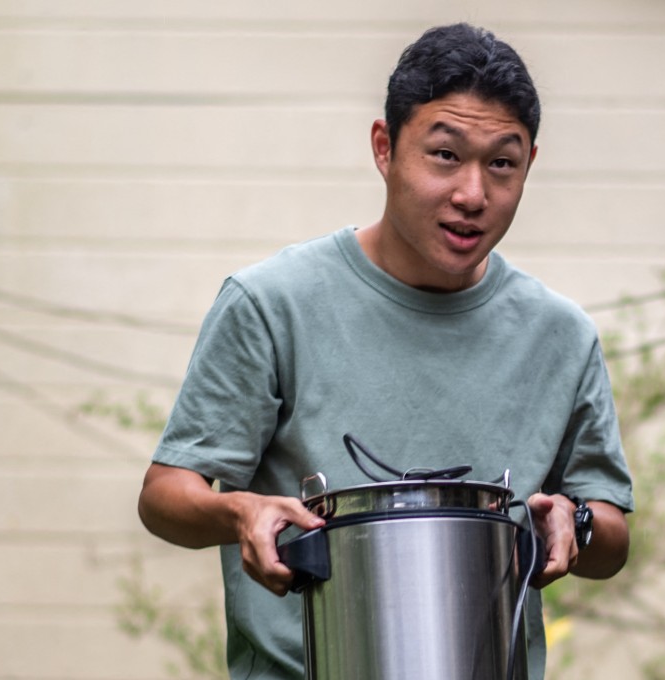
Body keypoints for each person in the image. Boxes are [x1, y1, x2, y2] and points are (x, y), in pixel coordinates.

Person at [138, 22, 633, 680]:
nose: (472, 194)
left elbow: (611, 532)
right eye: (445, 155)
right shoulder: (273, 303)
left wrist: (578, 522)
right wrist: (240, 510)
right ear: (384, 147)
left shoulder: (560, 335)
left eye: (502, 164)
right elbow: (165, 495)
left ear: (528, 166)